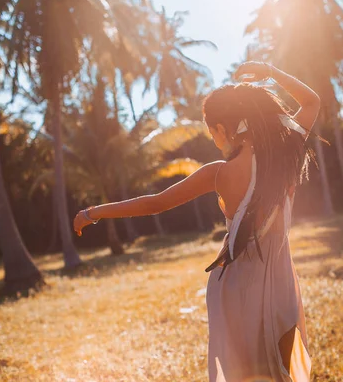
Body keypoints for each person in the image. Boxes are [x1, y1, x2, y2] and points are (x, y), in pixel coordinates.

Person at [73, 61, 320, 381]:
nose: (215, 140)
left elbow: (155, 204)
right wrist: (271, 72)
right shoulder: (284, 152)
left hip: (235, 284)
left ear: (222, 129)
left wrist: (94, 212)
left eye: (213, 133)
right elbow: (312, 101)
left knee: (245, 373)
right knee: (283, 363)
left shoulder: (219, 172)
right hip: (280, 278)